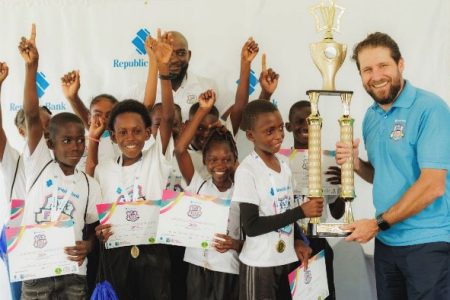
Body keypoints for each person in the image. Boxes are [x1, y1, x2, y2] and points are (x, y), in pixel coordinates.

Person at [336, 32, 450, 300]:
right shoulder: (371, 117)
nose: (376, 75)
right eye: (367, 69)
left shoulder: (430, 109)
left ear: (400, 64)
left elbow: (432, 186)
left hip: (427, 244)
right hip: (387, 245)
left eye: (383, 65)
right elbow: (385, 176)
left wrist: (377, 224)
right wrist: (356, 165)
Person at [19, 24, 101, 299]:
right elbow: (31, 115)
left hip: (72, 275)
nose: (76, 146)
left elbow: (94, 230)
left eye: (80, 139)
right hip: (36, 272)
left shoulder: (89, 184)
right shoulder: (39, 164)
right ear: (50, 143)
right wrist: (32, 68)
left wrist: (88, 246)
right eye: (67, 140)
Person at [92, 31, 174, 300]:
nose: (130, 138)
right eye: (123, 133)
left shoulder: (156, 160)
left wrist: (163, 72)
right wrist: (99, 230)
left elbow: (169, 118)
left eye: (137, 131)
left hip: (154, 254)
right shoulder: (103, 170)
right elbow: (98, 215)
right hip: (116, 254)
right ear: (112, 137)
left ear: (148, 132)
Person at [233, 100, 323, 300]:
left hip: (286, 259)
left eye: (281, 128)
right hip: (260, 265)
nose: (279, 135)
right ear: (250, 135)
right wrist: (301, 211)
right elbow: (252, 226)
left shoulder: (284, 165)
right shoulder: (247, 171)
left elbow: (286, 211)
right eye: (269, 131)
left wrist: (299, 240)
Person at [175, 89, 241, 300]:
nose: (220, 165)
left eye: (226, 159)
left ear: (234, 160)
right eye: (213, 160)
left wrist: (234, 244)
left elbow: (255, 238)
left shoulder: (242, 191)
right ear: (204, 162)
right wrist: (202, 110)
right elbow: (179, 150)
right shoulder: (198, 186)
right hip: (196, 268)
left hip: (228, 270)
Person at [285, 100, 345, 300]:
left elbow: (337, 213)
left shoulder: (328, 161)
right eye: (299, 121)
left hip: (318, 242)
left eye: (311, 121)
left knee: (322, 295)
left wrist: (343, 185)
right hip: (286, 242)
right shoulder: (280, 162)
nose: (305, 125)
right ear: (289, 126)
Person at [154, 31, 231, 120]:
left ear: (189, 55)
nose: (174, 60)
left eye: (181, 53)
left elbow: (226, 124)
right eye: (167, 53)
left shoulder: (208, 86)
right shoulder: (146, 91)